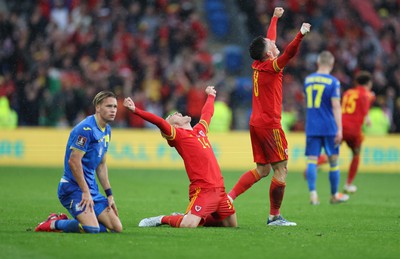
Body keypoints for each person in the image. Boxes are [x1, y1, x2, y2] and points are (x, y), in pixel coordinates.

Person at [227, 7, 311, 226]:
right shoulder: (273, 67)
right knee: (281, 168)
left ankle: (228, 198)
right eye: (271, 45)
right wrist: (300, 34)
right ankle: (274, 216)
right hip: (269, 124)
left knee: (263, 169)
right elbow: (289, 54)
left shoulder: (258, 65)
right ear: (269, 54)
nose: (274, 42)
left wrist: (275, 17)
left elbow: (270, 39)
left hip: (256, 122)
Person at [124, 86, 237, 228]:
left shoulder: (199, 131)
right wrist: (136, 110)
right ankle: (162, 219)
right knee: (188, 225)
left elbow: (207, 113)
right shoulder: (179, 136)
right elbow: (159, 122)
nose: (177, 112)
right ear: (174, 126)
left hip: (220, 190)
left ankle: (186, 216)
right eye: (172, 116)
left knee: (230, 225)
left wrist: (211, 96)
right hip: (203, 190)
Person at [35, 91, 123, 233]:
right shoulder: (85, 129)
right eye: (108, 106)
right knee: (92, 229)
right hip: (72, 189)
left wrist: (110, 195)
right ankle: (55, 223)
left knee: (116, 228)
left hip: (91, 190)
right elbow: (73, 162)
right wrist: (85, 191)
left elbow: (101, 165)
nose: (113, 110)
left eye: (115, 107)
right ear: (98, 107)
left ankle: (87, 217)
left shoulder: (107, 130)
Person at [303, 51, 349, 205]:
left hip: (312, 125)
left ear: (318, 63)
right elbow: (336, 106)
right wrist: (340, 129)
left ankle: (313, 194)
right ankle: (334, 194)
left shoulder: (308, 80)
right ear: (332, 64)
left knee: (312, 160)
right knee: (333, 161)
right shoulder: (334, 82)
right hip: (329, 126)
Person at [342, 71, 375, 193]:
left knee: (332, 153)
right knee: (356, 153)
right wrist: (367, 119)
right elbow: (365, 110)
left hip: (340, 127)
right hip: (354, 130)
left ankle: (315, 165)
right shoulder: (366, 95)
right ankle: (348, 184)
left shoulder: (348, 92)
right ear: (369, 83)